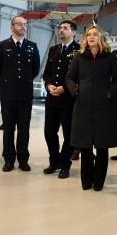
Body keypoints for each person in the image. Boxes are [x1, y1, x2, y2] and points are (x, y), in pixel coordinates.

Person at [66, 25, 117, 191]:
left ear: (101, 37)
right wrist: (76, 91)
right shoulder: (79, 57)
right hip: (82, 105)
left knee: (102, 146)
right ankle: (86, 180)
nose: (91, 37)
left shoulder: (109, 57)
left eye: (95, 35)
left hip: (104, 106)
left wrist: (109, 94)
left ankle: (98, 182)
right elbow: (69, 78)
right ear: (85, 38)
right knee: (84, 146)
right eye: (89, 35)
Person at [0, 16, 40, 172]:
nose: (23, 26)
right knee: (9, 128)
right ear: (12, 27)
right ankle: (8, 159)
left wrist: (24, 81)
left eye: (24, 24)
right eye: (19, 24)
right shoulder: (2, 45)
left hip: (25, 94)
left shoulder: (32, 46)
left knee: (24, 129)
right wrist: (7, 83)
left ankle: (23, 159)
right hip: (8, 94)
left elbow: (35, 69)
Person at [42, 20, 79, 179]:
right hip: (52, 98)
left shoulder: (79, 50)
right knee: (49, 132)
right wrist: (49, 85)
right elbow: (47, 73)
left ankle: (65, 164)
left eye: (65, 28)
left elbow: (79, 75)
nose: (61, 30)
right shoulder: (53, 49)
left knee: (69, 134)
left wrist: (64, 87)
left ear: (74, 33)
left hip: (68, 98)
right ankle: (54, 161)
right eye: (60, 28)